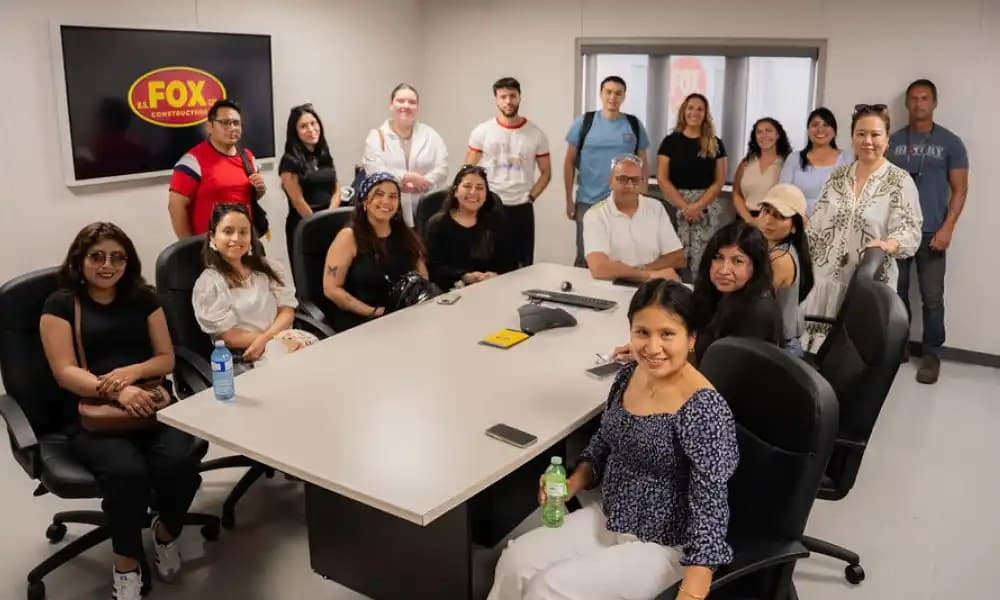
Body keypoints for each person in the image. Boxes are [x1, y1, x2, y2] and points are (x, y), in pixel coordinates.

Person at [488, 279, 738, 600]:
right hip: (612, 514)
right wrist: (574, 482)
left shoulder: (703, 408)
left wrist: (693, 590)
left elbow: (712, 509)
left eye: (667, 334)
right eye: (642, 332)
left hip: (665, 544)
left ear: (691, 338)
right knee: (515, 562)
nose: (652, 347)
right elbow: (605, 440)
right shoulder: (628, 375)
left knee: (547, 589)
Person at [39, 223, 202, 600]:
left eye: (117, 257)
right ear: (79, 261)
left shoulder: (144, 298)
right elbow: (64, 372)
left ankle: (165, 532)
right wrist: (116, 391)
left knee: (182, 462)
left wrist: (132, 374)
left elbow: (165, 358)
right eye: (97, 256)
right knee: (127, 474)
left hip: (149, 403)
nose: (107, 265)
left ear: (129, 262)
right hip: (93, 413)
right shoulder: (61, 304)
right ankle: (125, 562)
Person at [802, 104, 923, 353]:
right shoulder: (837, 176)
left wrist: (889, 244)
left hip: (868, 284)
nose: (868, 141)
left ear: (887, 139)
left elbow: (911, 231)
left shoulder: (899, 181)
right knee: (815, 358)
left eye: (875, 134)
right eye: (861, 134)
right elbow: (815, 227)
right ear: (853, 137)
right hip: (824, 281)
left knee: (853, 361)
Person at [887, 79, 969, 384]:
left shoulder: (950, 142)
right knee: (896, 294)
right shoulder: (892, 141)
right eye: (913, 99)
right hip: (897, 232)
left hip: (932, 231)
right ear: (907, 104)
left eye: (924, 98)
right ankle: (899, 347)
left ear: (934, 103)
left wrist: (948, 227)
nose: (919, 103)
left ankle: (932, 354)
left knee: (932, 298)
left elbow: (960, 190)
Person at [193, 204, 317, 364]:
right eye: (228, 231)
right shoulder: (210, 283)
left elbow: (286, 311)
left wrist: (268, 339)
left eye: (243, 232)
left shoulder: (270, 268)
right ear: (212, 237)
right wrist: (271, 341)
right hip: (247, 354)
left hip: (283, 341)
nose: (236, 238)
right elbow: (229, 337)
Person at [323, 172, 428, 331]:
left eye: (393, 196)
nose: (386, 201)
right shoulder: (348, 237)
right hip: (362, 320)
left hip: (403, 316)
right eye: (379, 195)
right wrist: (373, 312)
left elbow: (422, 275)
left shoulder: (404, 234)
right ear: (365, 201)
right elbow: (331, 289)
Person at [564, 76, 651, 266]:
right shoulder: (584, 122)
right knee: (586, 256)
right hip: (588, 202)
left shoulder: (633, 124)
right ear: (601, 94)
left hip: (623, 202)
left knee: (621, 257)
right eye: (609, 92)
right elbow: (569, 162)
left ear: (624, 97)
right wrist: (569, 200)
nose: (613, 97)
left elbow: (643, 162)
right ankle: (582, 295)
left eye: (618, 93)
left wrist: (643, 196)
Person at [465, 77, 551, 267]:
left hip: (521, 208)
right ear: (496, 100)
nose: (508, 101)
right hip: (490, 206)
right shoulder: (483, 131)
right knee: (487, 263)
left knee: (522, 265)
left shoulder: (536, 134)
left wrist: (531, 197)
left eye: (512, 96)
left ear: (520, 97)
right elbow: (467, 170)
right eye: (503, 97)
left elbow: (546, 173)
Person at [168, 99, 267, 238]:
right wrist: (188, 247)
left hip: (244, 242)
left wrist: (260, 190)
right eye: (225, 122)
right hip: (208, 247)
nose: (232, 128)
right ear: (210, 126)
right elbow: (175, 207)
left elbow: (248, 196)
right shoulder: (192, 162)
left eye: (236, 123)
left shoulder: (248, 157)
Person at [656, 93, 729, 280]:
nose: (694, 112)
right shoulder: (670, 142)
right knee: (674, 257)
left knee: (704, 260)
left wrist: (697, 206)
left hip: (705, 208)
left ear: (705, 114)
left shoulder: (715, 143)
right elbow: (663, 178)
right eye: (690, 108)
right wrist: (685, 206)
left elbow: (719, 180)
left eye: (699, 109)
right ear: (683, 111)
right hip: (675, 206)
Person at [583, 154, 685, 282]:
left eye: (635, 180)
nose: (630, 186)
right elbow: (599, 267)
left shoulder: (656, 207)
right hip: (615, 286)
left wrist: (639, 271)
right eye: (623, 179)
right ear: (610, 182)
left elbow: (677, 257)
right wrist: (648, 275)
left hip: (654, 286)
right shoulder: (595, 215)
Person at [362, 84, 448, 227]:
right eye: (400, 101)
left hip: (424, 209)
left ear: (417, 107)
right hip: (387, 210)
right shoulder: (376, 137)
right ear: (391, 104)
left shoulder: (432, 136)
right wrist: (406, 177)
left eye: (412, 102)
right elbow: (374, 170)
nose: (406, 106)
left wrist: (423, 182)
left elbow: (442, 169)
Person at [424, 165, 518, 291]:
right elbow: (433, 268)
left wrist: (495, 275)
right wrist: (464, 276)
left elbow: (510, 261)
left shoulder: (496, 221)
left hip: (493, 287)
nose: (473, 192)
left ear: (486, 193)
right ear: (456, 191)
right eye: (467, 186)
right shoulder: (437, 224)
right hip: (450, 292)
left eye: (479, 188)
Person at [755, 184, 814, 356]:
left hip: (780, 350)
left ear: (795, 226)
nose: (768, 220)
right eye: (765, 211)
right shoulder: (775, 248)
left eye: (779, 216)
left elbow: (751, 303)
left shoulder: (780, 259)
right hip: (771, 340)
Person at [279, 103, 341, 260]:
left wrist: (330, 216)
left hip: (330, 221)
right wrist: (318, 223)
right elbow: (298, 201)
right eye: (303, 126)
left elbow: (336, 188)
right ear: (295, 132)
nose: (311, 129)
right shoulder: (289, 161)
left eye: (313, 123)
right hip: (305, 224)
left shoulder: (323, 154)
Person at [779, 107, 853, 215]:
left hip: (836, 223)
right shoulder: (794, 158)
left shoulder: (848, 158)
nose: (820, 129)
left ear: (834, 132)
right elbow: (782, 192)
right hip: (799, 221)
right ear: (808, 131)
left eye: (826, 125)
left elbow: (853, 196)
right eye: (815, 125)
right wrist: (800, 219)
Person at [732, 117, 792, 223]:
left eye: (769, 131)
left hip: (773, 221)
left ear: (778, 135)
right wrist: (749, 219)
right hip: (744, 220)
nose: (764, 135)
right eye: (759, 132)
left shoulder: (787, 164)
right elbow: (736, 193)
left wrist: (765, 220)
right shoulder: (746, 163)